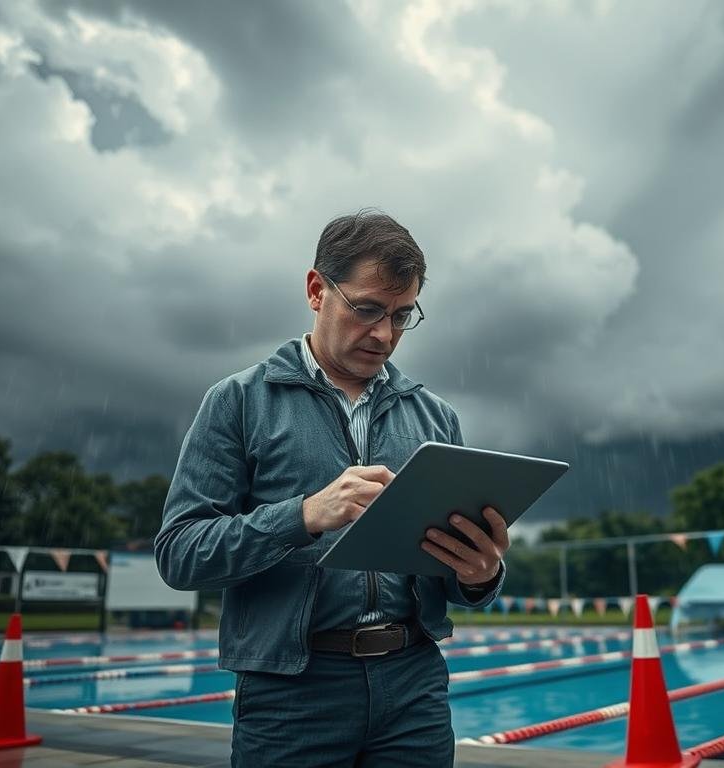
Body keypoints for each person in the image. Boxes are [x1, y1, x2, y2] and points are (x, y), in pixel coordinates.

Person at [155, 210, 508, 767]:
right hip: (291, 694)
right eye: (367, 309)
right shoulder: (240, 402)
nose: (384, 334)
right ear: (317, 290)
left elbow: (455, 578)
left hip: (413, 685)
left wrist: (481, 574)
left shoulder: (436, 418)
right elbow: (179, 553)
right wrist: (303, 515)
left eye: (401, 315)